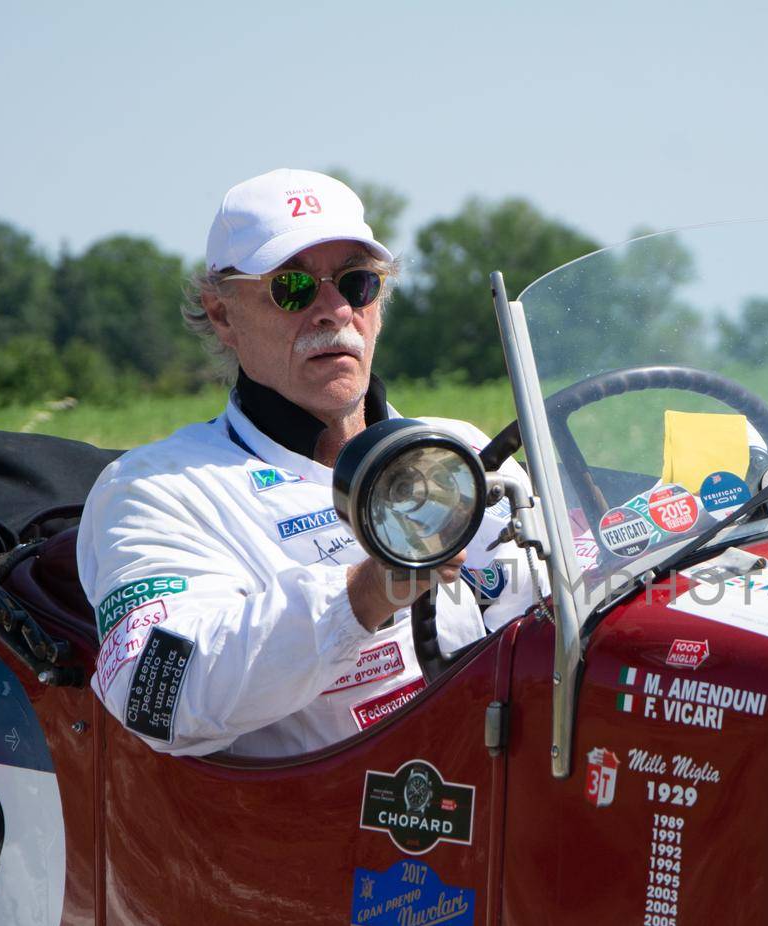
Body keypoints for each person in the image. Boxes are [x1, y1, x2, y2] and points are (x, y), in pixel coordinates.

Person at [77, 169, 535, 759]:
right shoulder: (155, 490)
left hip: (509, 784)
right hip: (339, 827)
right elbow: (154, 695)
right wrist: (364, 594)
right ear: (221, 314)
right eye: (293, 287)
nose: (334, 310)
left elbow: (563, 596)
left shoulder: (465, 446)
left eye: (357, 282)